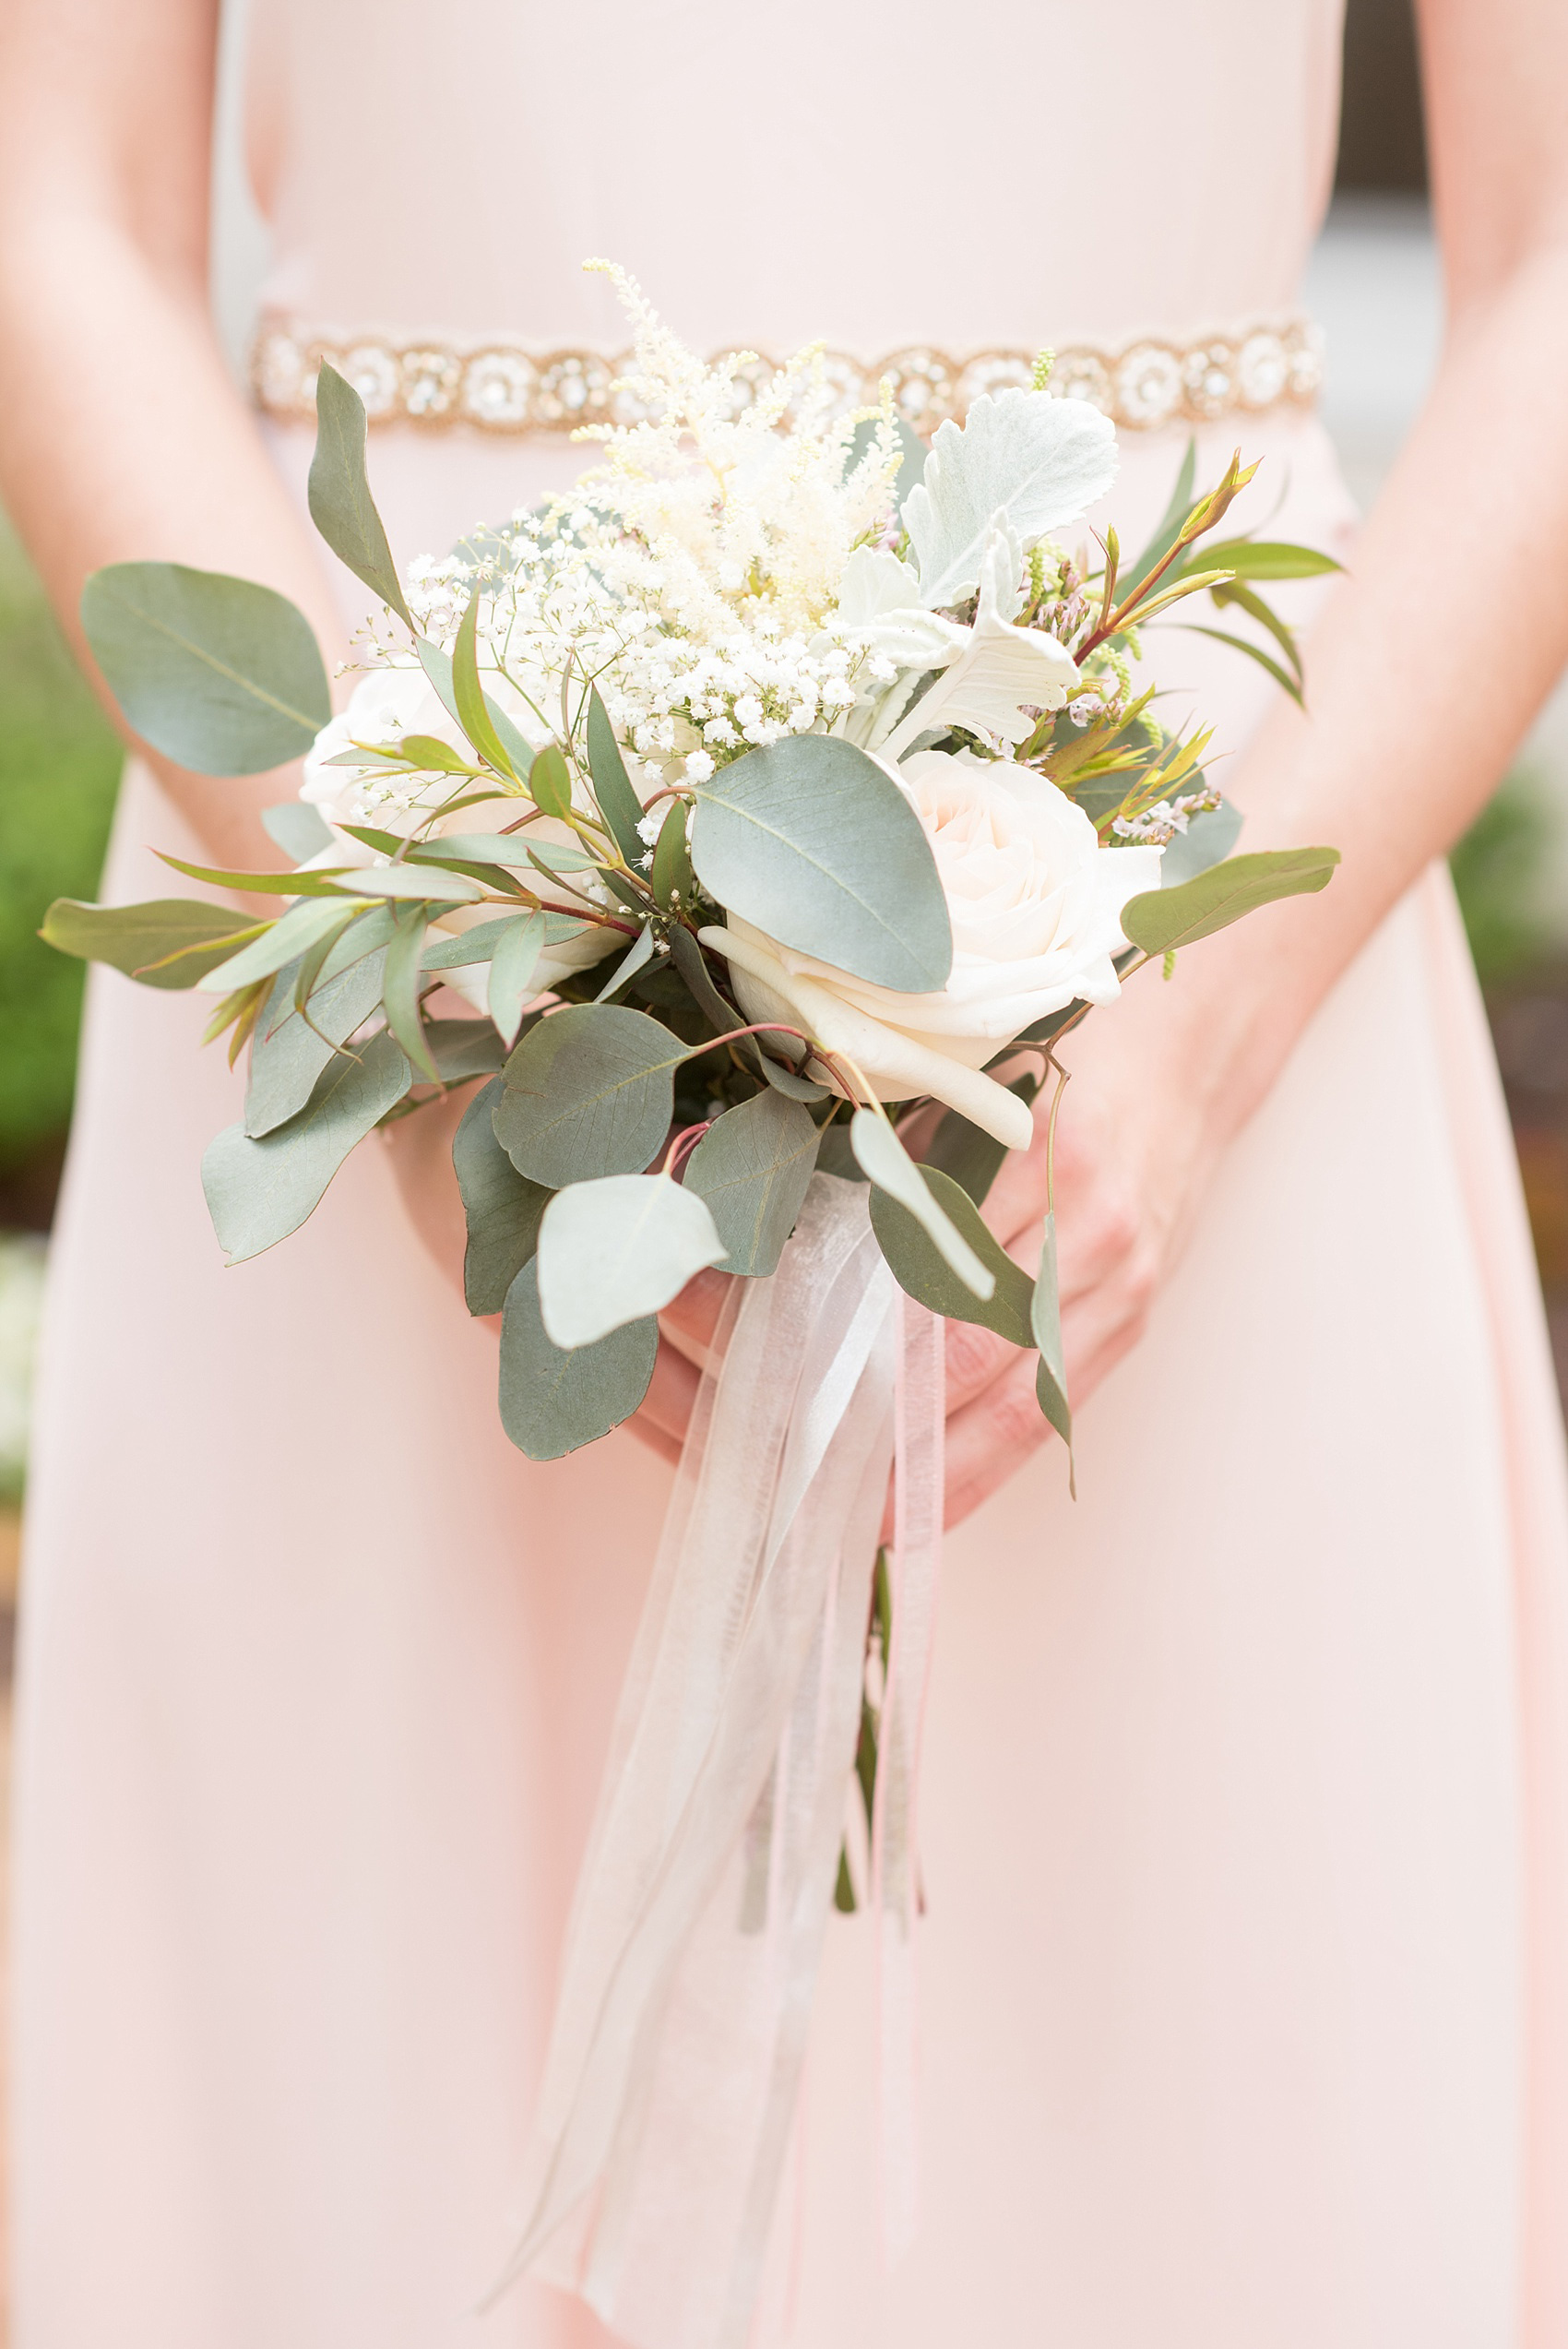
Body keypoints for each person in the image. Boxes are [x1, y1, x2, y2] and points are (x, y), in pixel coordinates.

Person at [3, 0, 1568, 2341]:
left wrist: (1195, 1047)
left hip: (1200, 914)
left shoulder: (1201, 1046)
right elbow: (58, 197)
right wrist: (427, 1002)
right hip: (387, 858)